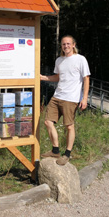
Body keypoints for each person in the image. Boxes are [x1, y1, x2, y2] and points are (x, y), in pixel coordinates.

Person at [39, 35, 90, 166]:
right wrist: (42, 77)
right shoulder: (59, 60)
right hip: (57, 96)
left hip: (71, 98)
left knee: (69, 126)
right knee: (47, 121)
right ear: (61, 46)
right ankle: (55, 150)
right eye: (63, 44)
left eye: (68, 44)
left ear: (73, 45)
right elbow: (57, 78)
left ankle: (67, 154)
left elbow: (86, 79)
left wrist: (84, 98)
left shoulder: (80, 59)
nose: (66, 46)